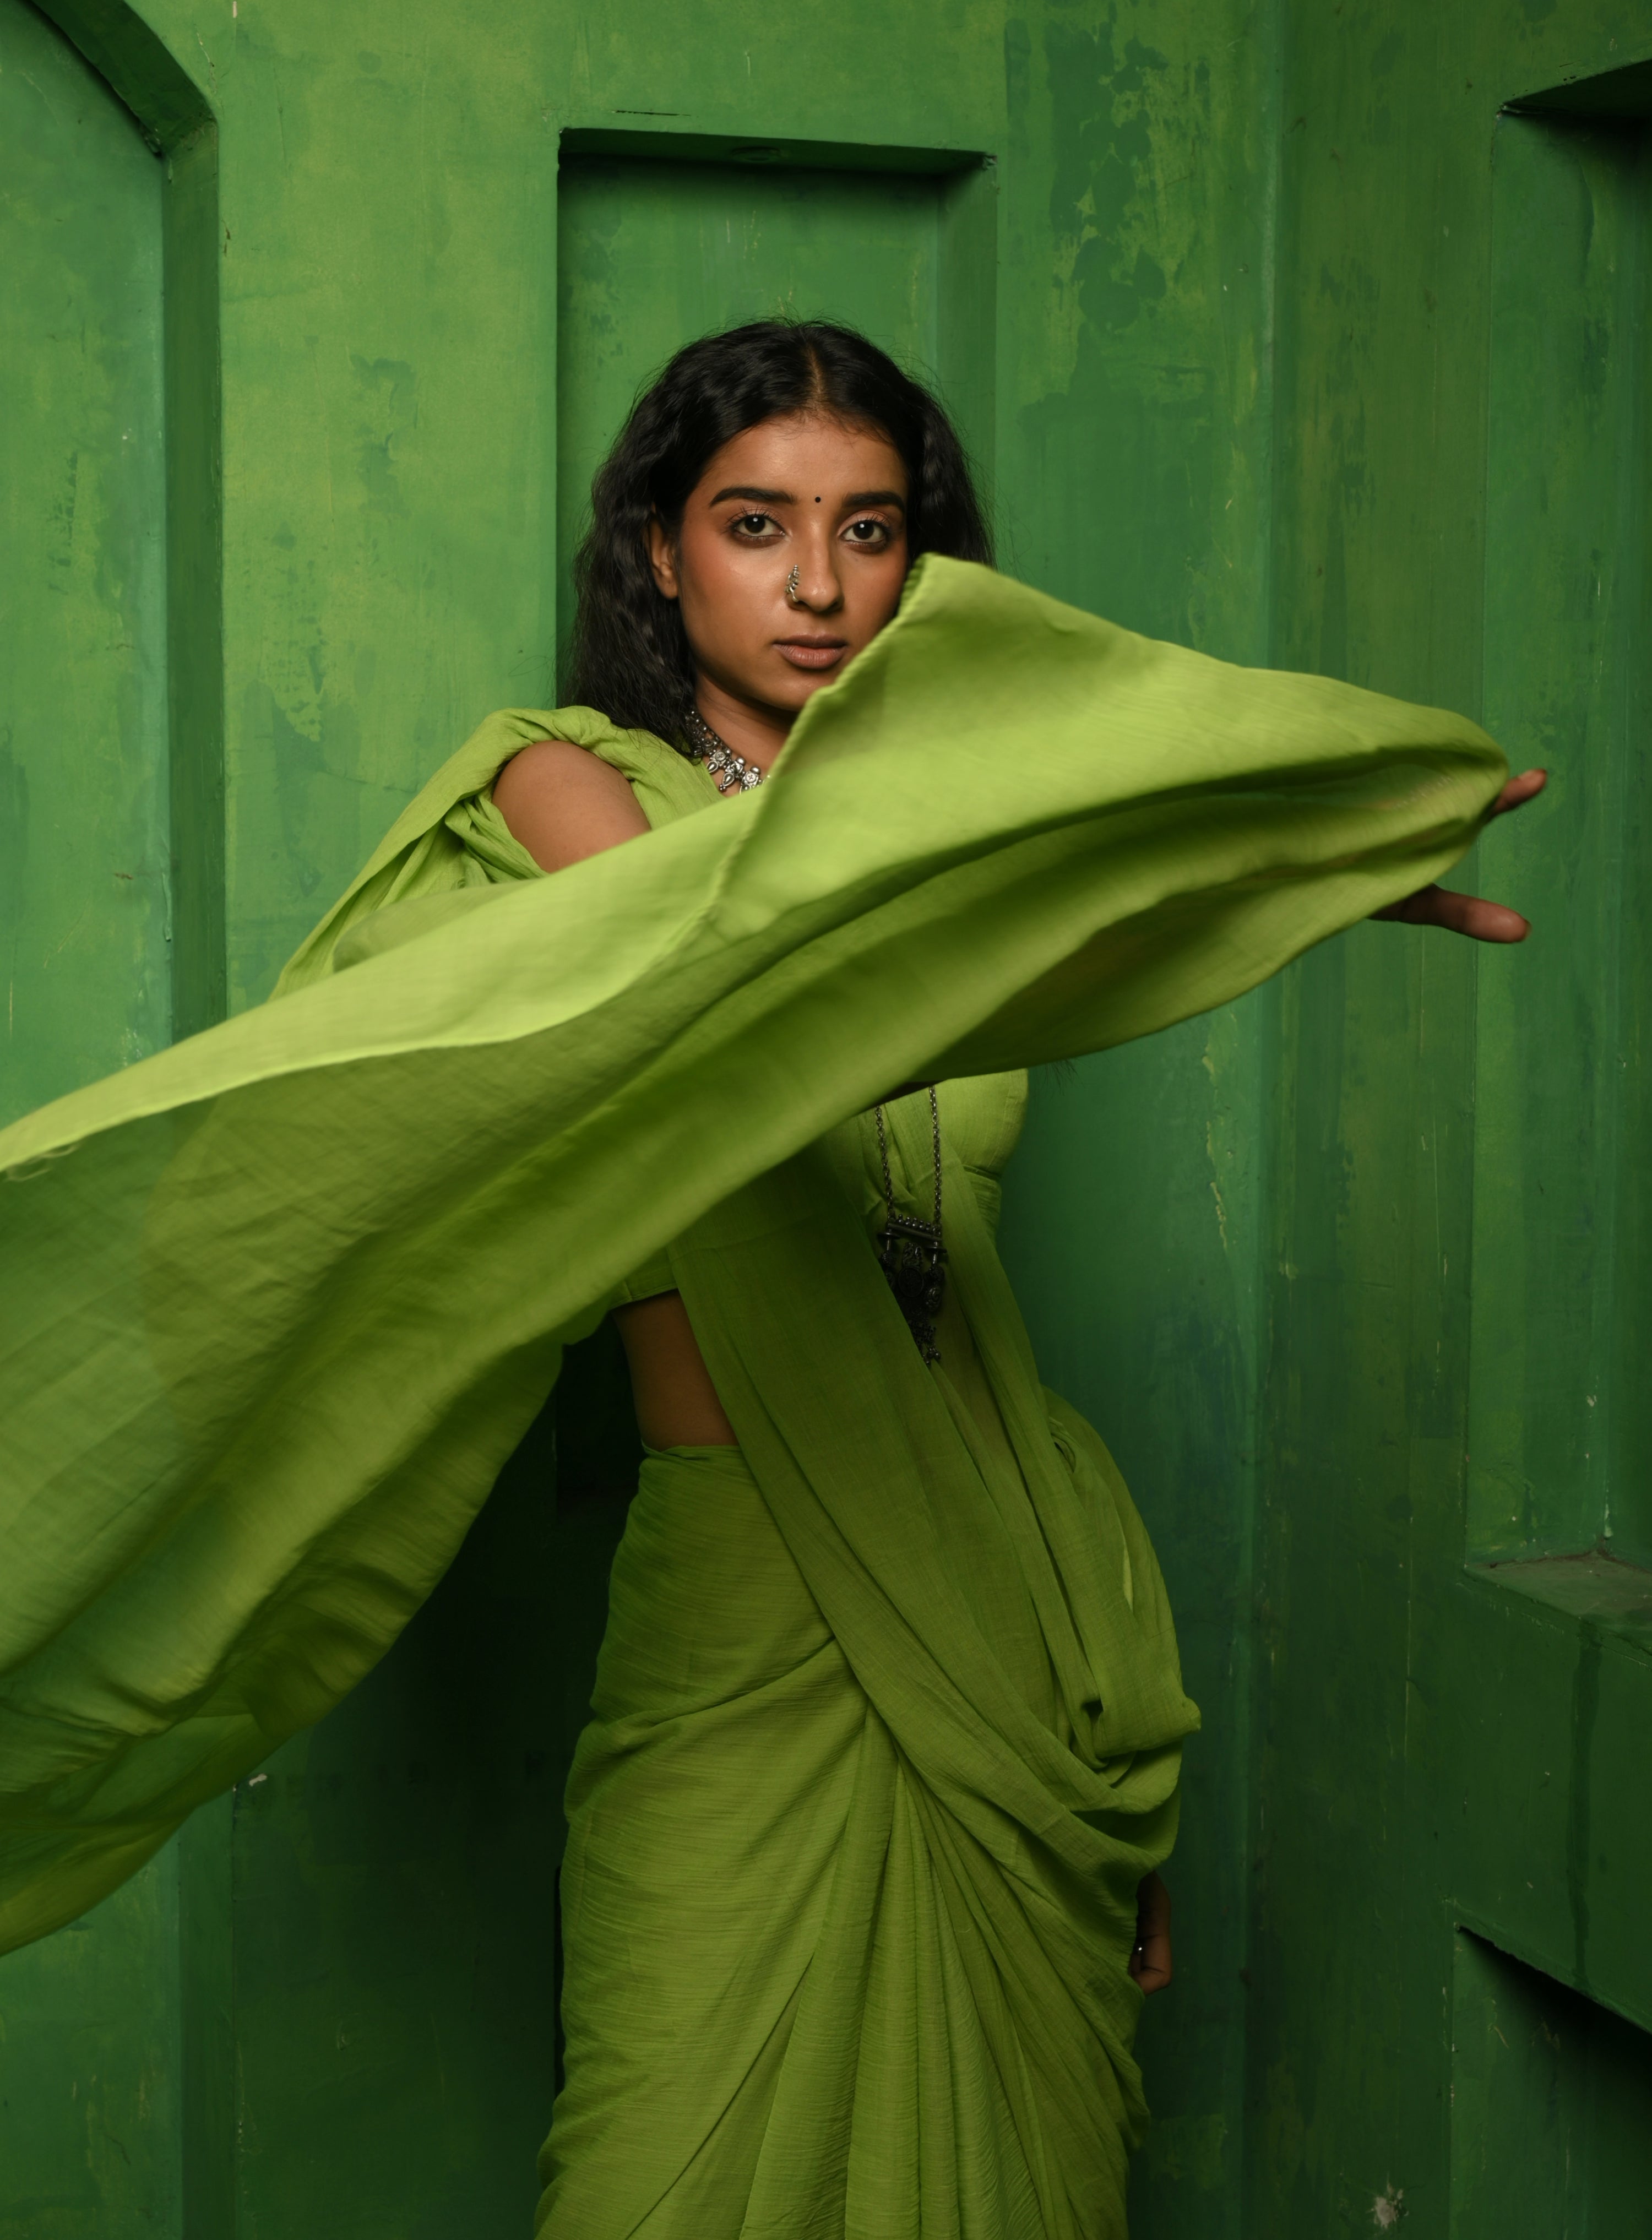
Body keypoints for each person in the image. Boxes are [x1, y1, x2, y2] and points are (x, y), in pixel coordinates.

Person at [0, 320, 1539, 2240]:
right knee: (659, 2175)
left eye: (870, 528)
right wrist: (1229, 882)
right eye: (755, 522)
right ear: (659, 548)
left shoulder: (983, 851)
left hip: (1011, 1587)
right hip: (746, 1592)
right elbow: (763, 994)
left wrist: (1080, 1745)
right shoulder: (565, 791)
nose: (819, 584)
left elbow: (939, 1157)